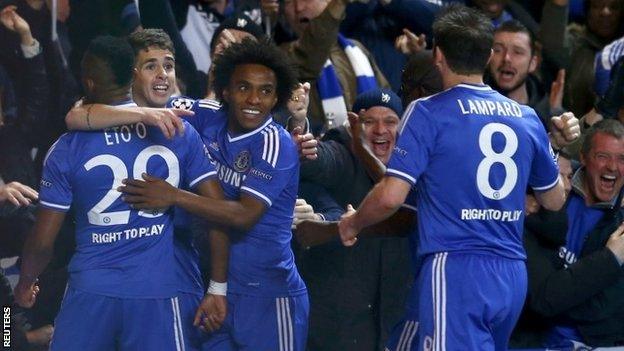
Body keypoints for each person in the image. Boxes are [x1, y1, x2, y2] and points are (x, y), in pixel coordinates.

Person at [338, 5, 566, 350]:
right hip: (512, 272)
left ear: (438, 56)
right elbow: (555, 199)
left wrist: (353, 223)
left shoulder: (428, 111)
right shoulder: (527, 117)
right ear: (489, 56)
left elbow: (389, 197)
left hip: (456, 268)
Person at [12, 35, 219, 351]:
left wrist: (26, 282)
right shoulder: (179, 129)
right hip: (156, 292)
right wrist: (219, 288)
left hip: (91, 291)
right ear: (133, 75)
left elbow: (42, 241)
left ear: (88, 82)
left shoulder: (66, 148)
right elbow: (219, 210)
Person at [117, 39, 309, 351]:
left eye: (265, 91)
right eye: (244, 87)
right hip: (213, 285)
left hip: (268, 295)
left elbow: (243, 215)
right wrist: (87, 112)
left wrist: (174, 196)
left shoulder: (277, 144)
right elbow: (151, 109)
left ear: (276, 98)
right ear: (225, 90)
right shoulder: (204, 114)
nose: (253, 99)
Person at [520, 119, 624, 348]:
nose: (613, 167)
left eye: (622, 159)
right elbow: (541, 295)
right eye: (603, 156)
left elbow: (606, 309)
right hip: (539, 335)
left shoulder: (621, 224)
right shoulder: (552, 195)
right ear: (584, 159)